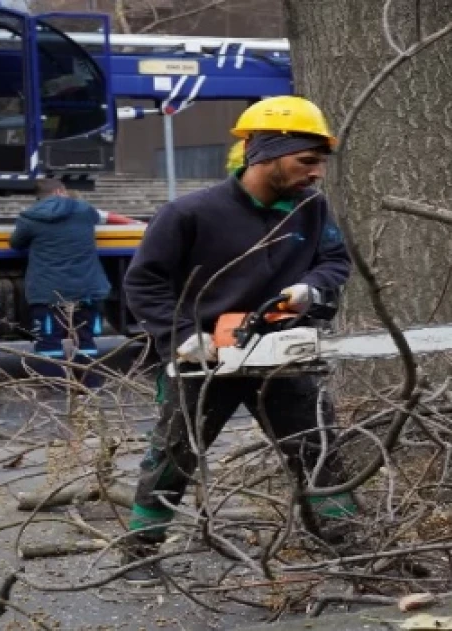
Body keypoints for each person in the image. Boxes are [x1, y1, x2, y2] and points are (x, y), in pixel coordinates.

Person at [119, 95, 356, 586]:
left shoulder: (311, 209)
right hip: (203, 358)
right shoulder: (189, 213)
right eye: (306, 161)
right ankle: (139, 552)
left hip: (281, 350)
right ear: (266, 154)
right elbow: (144, 283)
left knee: (316, 445)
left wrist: (310, 289)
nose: (316, 173)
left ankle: (348, 543)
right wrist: (184, 335)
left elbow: (335, 261)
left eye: (319, 163)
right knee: (173, 453)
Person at [9, 179, 113, 390]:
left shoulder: (30, 217)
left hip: (48, 290)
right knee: (86, 338)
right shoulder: (84, 210)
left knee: (49, 340)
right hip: (87, 287)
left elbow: (15, 243)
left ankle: (55, 386)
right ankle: (89, 383)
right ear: (60, 191)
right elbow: (97, 218)